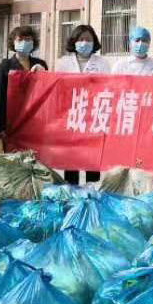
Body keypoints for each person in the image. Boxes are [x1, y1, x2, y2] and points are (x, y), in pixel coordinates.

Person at [55, 24, 108, 184]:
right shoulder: (63, 63)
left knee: (92, 160)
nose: (84, 42)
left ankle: (91, 193)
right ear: (74, 41)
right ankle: (72, 192)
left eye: (88, 39)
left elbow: (108, 87)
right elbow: (56, 88)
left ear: (94, 42)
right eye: (81, 39)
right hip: (70, 116)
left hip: (93, 117)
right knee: (71, 160)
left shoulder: (102, 63)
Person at [0, 24, 48, 140]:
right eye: (20, 39)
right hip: (12, 121)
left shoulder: (40, 64)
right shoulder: (5, 66)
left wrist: (45, 74)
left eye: (28, 39)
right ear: (13, 42)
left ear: (33, 42)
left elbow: (48, 92)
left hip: (36, 120)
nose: (24, 42)